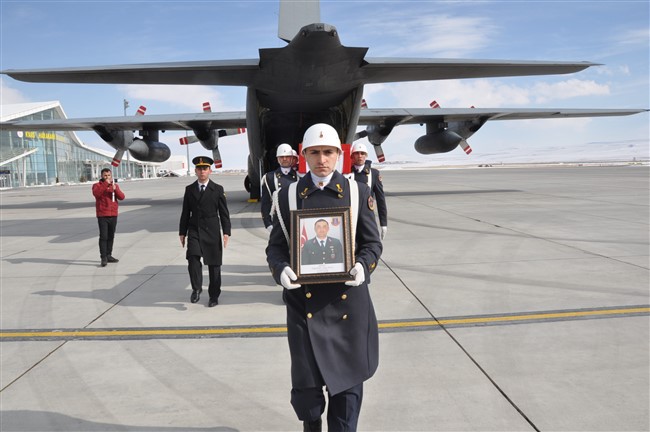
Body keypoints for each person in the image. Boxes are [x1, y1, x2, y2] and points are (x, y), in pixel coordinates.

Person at [266, 123, 382, 431]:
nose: (322, 159)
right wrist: (281, 269)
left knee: (346, 400)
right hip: (304, 309)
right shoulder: (288, 195)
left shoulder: (357, 192)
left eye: (328, 152)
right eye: (314, 152)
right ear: (304, 155)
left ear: (338, 155)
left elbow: (372, 244)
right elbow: (276, 247)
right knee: (308, 400)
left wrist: (363, 265)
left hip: (348, 307)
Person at [179, 156, 231, 307]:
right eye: (199, 169)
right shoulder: (189, 189)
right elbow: (185, 212)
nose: (202, 171)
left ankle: (214, 296)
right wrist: (182, 232)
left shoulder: (218, 189)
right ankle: (196, 288)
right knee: (193, 258)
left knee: (214, 265)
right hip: (194, 229)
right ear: (195, 171)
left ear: (210, 171)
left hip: (212, 231)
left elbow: (224, 213)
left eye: (205, 168)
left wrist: (226, 232)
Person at [350, 142, 388, 240]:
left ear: (366, 156)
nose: (360, 156)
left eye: (362, 153)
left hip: (367, 216)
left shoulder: (374, 174)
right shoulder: (347, 173)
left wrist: (383, 223)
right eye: (357, 153)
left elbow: (380, 199)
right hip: (351, 216)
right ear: (352, 155)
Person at [261, 143, 299, 232]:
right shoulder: (269, 177)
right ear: (277, 159)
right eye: (281, 157)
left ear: (292, 158)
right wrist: (268, 223)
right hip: (278, 221)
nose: (284, 159)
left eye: (287, 156)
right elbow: (265, 203)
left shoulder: (299, 177)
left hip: (295, 219)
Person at [92, 168, 125, 267]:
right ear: (102, 176)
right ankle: (103, 257)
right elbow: (97, 194)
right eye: (105, 175)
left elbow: (122, 197)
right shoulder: (97, 186)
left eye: (109, 175)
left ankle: (109, 255)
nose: (107, 177)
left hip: (113, 214)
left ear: (111, 176)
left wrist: (115, 189)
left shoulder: (115, 185)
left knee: (111, 236)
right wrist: (106, 184)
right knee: (103, 236)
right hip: (102, 215)